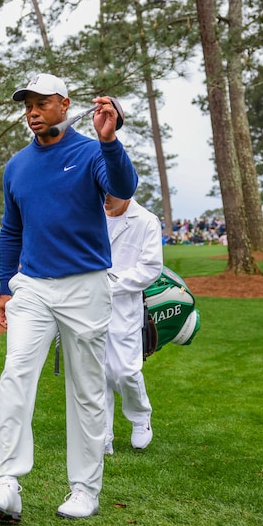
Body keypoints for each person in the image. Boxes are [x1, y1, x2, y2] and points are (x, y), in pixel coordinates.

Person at [0, 73, 137, 522]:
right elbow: (11, 230)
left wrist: (110, 139)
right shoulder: (16, 166)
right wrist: (6, 286)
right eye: (27, 104)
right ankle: (6, 482)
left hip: (86, 285)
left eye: (42, 103)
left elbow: (123, 187)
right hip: (33, 286)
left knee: (85, 390)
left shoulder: (90, 152)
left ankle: (85, 488)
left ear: (65, 104)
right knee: (15, 374)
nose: (32, 111)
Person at [102, 194, 163, 454]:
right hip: (87, 304)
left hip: (124, 306)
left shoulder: (147, 221)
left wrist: (110, 285)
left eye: (110, 191)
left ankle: (140, 416)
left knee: (125, 371)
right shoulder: (90, 214)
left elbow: (150, 268)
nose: (104, 197)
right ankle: (101, 434)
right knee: (95, 372)